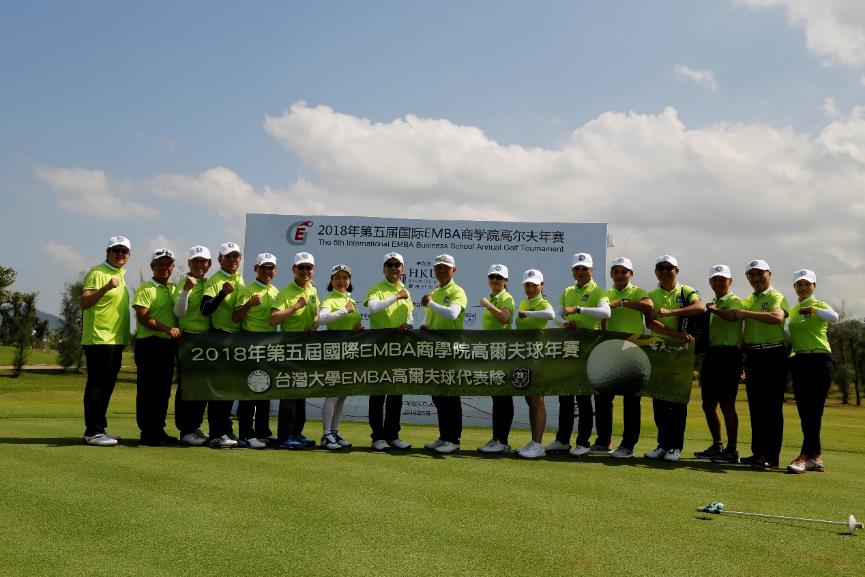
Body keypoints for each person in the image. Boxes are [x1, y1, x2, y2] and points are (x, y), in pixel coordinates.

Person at [545, 252, 610, 457]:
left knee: (583, 398)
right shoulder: (567, 291)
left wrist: (580, 309)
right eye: (577, 269)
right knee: (565, 396)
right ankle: (563, 440)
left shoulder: (598, 291)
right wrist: (564, 322)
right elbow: (555, 315)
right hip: (568, 347)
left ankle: (583, 442)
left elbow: (606, 313)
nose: (581, 272)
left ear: (592, 270)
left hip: (587, 348)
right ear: (572, 271)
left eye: (584, 268)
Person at [644, 255, 706, 462]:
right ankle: (663, 444)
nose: (664, 271)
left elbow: (700, 308)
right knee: (659, 401)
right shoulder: (651, 294)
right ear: (656, 272)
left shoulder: (685, 291)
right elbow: (651, 323)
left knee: (677, 401)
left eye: (668, 268)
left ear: (676, 271)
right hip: (660, 351)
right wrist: (675, 335)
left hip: (681, 354)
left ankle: (675, 447)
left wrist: (671, 312)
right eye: (660, 268)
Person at [735, 259, 789, 470]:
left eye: (760, 274)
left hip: (773, 354)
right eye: (752, 275)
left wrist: (747, 313)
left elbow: (777, 317)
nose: (756, 278)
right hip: (753, 356)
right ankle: (758, 452)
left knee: (772, 408)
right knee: (756, 407)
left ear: (769, 274)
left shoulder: (776, 296)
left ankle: (771, 457)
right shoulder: (749, 299)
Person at [599, 257, 654, 459]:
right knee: (603, 397)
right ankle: (604, 441)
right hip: (612, 350)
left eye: (624, 271)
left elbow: (649, 306)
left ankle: (628, 444)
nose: (620, 275)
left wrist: (623, 303)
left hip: (633, 350)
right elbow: (604, 319)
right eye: (616, 271)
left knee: (631, 400)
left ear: (631, 274)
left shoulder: (637, 292)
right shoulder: (606, 294)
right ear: (611, 274)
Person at [80, 235, 132, 446]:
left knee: (107, 386)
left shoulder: (120, 274)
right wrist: (105, 288)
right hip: (99, 338)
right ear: (107, 252)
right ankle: (93, 432)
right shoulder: (98, 273)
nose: (120, 254)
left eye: (124, 251)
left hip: (114, 340)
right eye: (115, 250)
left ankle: (100, 429)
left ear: (129, 255)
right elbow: (84, 302)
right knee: (97, 385)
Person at [786, 269, 837, 474]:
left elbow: (834, 316)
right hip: (800, 361)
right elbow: (788, 332)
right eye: (799, 284)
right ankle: (816, 457)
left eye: (807, 284)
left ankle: (804, 456)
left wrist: (814, 311)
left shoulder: (820, 305)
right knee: (805, 412)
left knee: (814, 411)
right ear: (795, 288)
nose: (803, 287)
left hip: (820, 360)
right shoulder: (793, 309)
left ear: (814, 286)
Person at [364, 252, 414, 451]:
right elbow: (374, 309)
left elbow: (409, 316)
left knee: (396, 394)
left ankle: (392, 435)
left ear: (403, 269)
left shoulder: (405, 290)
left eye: (397, 265)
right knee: (378, 393)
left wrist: (408, 325)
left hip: (399, 349)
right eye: (389, 265)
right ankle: (378, 437)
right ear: (384, 268)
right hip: (380, 347)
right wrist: (395, 296)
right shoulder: (377, 288)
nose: (394, 268)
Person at [269, 251, 319, 450]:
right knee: (290, 392)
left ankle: (297, 432)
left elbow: (316, 314)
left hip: (306, 345)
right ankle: (284, 436)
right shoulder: (286, 292)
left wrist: (314, 324)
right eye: (301, 267)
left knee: (301, 391)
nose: (305, 271)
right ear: (294, 270)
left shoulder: (312, 290)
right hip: (290, 345)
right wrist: (295, 307)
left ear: (313, 270)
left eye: (308, 268)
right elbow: (273, 319)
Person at [694, 264, 744, 464]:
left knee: (727, 404)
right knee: (708, 404)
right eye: (715, 279)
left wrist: (713, 309)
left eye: (723, 279)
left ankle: (732, 450)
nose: (719, 282)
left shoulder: (734, 300)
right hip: (713, 355)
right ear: (710, 282)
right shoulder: (712, 304)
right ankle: (718, 445)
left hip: (729, 355)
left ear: (730, 282)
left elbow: (733, 317)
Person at [132, 248, 182, 446]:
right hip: (150, 344)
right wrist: (166, 329)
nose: (164, 268)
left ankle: (158, 429)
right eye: (160, 264)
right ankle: (148, 432)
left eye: (168, 264)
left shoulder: (171, 289)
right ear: (152, 266)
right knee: (148, 390)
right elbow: (143, 317)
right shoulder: (147, 288)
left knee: (162, 390)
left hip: (166, 346)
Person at [232, 252, 281, 449]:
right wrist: (249, 304)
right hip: (250, 343)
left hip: (269, 345)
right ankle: (245, 433)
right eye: (263, 267)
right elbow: (236, 317)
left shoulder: (277, 291)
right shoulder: (247, 289)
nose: (267, 271)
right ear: (256, 269)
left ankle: (262, 432)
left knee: (265, 391)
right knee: (251, 391)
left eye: (270, 268)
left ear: (275, 270)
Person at [421, 254, 468, 454]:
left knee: (451, 396)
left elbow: (452, 314)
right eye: (438, 268)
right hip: (435, 351)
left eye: (445, 268)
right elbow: (428, 320)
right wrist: (423, 326)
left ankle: (453, 439)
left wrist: (430, 303)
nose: (441, 271)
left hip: (452, 350)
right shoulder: (435, 292)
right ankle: (443, 436)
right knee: (439, 396)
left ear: (453, 270)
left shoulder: (458, 291)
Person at [200, 241, 245, 449]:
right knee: (219, 389)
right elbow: (205, 309)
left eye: (236, 256)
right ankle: (217, 433)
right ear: (220, 259)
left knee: (230, 389)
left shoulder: (239, 278)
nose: (233, 259)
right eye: (228, 256)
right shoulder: (216, 280)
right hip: (220, 336)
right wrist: (222, 294)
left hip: (235, 338)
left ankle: (225, 429)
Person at [318, 264, 363, 450]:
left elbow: (351, 321)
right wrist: (345, 310)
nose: (341, 281)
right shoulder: (330, 300)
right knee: (334, 393)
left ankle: (335, 432)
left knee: (343, 394)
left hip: (350, 351)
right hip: (335, 351)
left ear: (349, 281)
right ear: (331, 281)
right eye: (337, 278)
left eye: (345, 277)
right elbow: (321, 319)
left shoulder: (351, 300)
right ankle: (326, 435)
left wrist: (358, 328)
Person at [173, 245, 213, 446]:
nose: (199, 264)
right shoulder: (184, 281)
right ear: (189, 263)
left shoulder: (210, 282)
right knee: (187, 385)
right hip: (188, 338)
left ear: (209, 264)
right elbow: (179, 312)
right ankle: (185, 430)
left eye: (203, 261)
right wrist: (186, 290)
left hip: (206, 340)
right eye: (195, 261)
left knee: (202, 386)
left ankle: (195, 426)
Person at [514, 269, 556, 459]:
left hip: (537, 356)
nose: (531, 288)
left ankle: (538, 445)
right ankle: (534, 441)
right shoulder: (524, 301)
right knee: (530, 400)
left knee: (537, 400)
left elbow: (550, 315)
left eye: (534, 285)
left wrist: (529, 313)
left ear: (542, 285)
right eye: (527, 285)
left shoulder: (542, 302)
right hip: (524, 355)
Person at [477, 264, 515, 455]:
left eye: (499, 278)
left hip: (502, 353)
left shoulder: (505, 297)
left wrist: (489, 306)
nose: (495, 280)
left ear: (505, 281)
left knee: (503, 398)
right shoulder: (492, 297)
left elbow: (505, 318)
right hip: (491, 352)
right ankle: (496, 438)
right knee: (496, 398)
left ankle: (504, 441)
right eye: (492, 277)